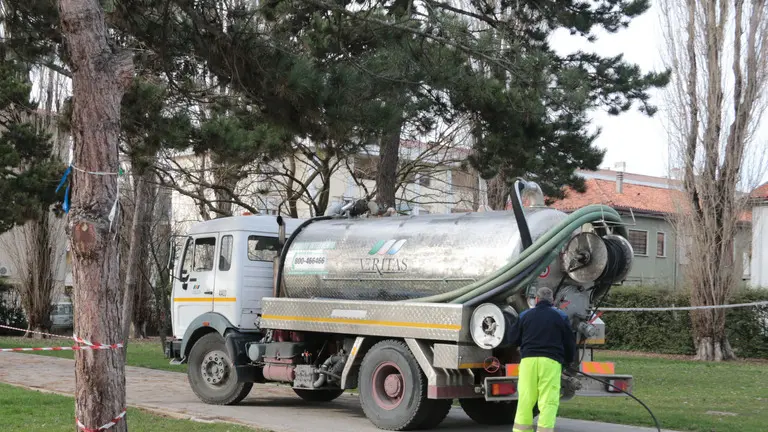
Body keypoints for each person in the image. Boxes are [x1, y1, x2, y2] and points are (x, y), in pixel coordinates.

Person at [506, 286, 576, 432]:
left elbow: (512, 339)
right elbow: (569, 342)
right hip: (550, 363)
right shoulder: (561, 316)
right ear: (552, 301)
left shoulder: (525, 315)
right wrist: (568, 361)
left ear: (536, 299)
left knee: (525, 399)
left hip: (528, 362)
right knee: (548, 401)